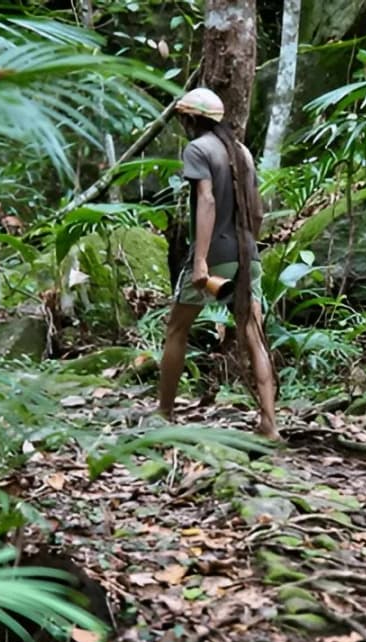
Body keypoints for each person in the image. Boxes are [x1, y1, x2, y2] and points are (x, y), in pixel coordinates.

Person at [157, 87, 281, 441]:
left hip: (215, 257)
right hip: (246, 254)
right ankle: (269, 423)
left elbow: (206, 200)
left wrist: (200, 262)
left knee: (176, 330)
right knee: (254, 336)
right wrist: (248, 248)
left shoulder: (198, 149)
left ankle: (164, 414)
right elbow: (257, 210)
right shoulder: (241, 152)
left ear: (191, 119)